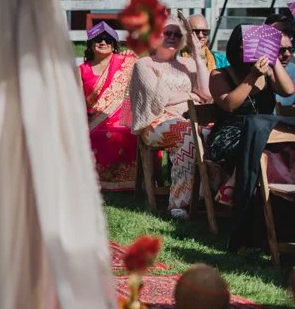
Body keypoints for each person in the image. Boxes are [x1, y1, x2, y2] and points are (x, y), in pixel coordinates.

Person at [206, 23, 295, 249]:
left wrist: (273, 58)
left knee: (282, 151)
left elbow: (288, 90)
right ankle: (251, 219)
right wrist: (252, 76)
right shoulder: (219, 74)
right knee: (262, 153)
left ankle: (278, 214)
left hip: (263, 133)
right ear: (237, 49)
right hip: (230, 134)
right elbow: (229, 105)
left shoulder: (269, 72)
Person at [129, 19, 211, 217]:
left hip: (187, 118)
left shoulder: (188, 63)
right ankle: (179, 203)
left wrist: (197, 57)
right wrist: (190, 95)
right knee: (187, 134)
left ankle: (206, 195)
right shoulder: (144, 65)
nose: (172, 37)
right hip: (154, 122)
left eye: (177, 34)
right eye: (167, 33)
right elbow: (157, 99)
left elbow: (207, 94)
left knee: (212, 133)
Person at [80, 23, 137, 193]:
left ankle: (133, 182)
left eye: (108, 40)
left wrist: (134, 57)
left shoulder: (126, 63)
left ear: (114, 45)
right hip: (92, 121)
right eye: (98, 39)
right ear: (90, 44)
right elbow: (76, 102)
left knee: (128, 134)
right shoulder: (81, 70)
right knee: (96, 136)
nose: (103, 42)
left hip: (123, 119)